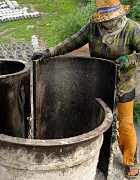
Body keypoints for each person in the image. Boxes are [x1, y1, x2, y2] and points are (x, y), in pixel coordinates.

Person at [33, 0, 140, 178]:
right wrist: (49, 52)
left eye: (109, 20)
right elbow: (72, 42)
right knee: (98, 120)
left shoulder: (132, 29)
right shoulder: (93, 27)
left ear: (118, 16)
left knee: (125, 124)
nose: (105, 24)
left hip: (123, 85)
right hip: (99, 82)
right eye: (103, 20)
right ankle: (98, 155)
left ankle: (130, 161)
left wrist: (130, 60)